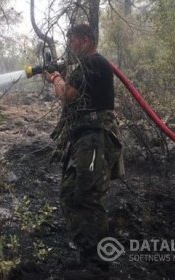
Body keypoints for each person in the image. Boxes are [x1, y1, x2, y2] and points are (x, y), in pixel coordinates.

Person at [43, 23, 124, 277]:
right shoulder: (87, 66)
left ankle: (99, 263)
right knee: (69, 194)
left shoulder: (92, 63)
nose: (69, 44)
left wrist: (55, 78)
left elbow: (67, 95)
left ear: (86, 40)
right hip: (84, 140)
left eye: (73, 39)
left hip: (95, 138)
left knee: (86, 197)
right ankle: (87, 255)